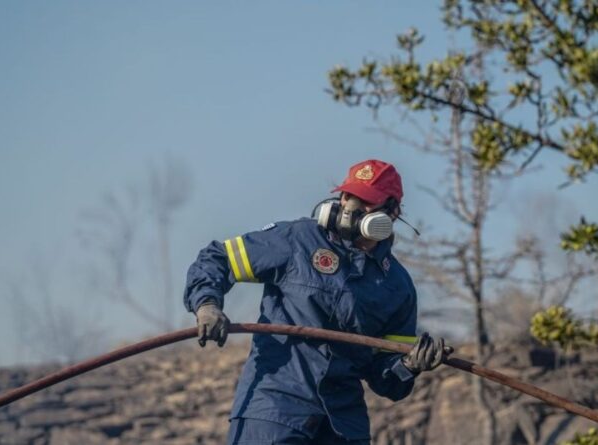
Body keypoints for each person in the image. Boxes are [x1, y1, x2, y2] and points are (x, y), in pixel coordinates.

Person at [183, 159, 452, 444]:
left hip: (344, 426)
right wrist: (207, 304)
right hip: (275, 408)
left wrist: (409, 366)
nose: (351, 206)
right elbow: (218, 259)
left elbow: (386, 380)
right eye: (348, 195)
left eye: (366, 200)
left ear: (392, 212)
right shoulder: (297, 240)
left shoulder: (398, 287)